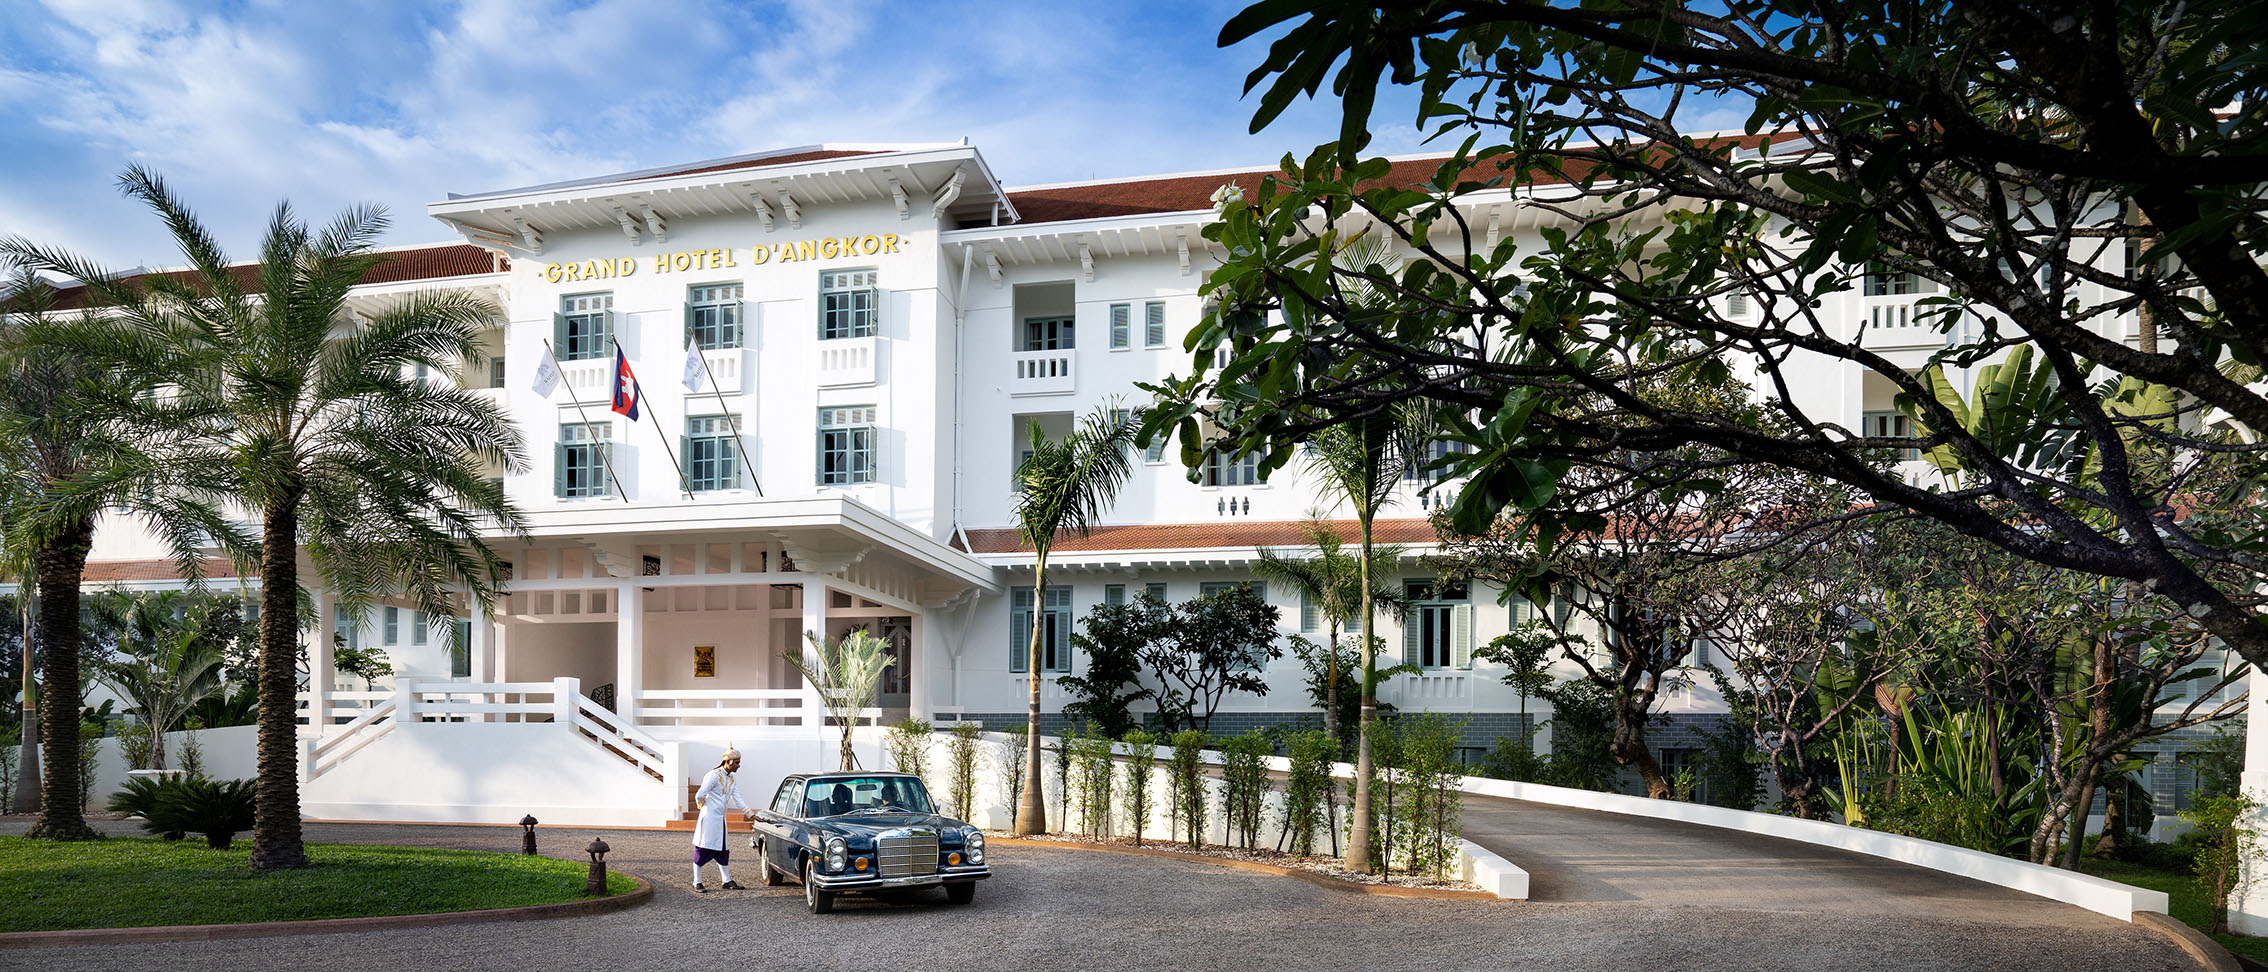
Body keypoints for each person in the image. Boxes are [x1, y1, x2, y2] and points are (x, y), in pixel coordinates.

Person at [692, 746, 754, 892]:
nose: (739, 765)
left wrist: (751, 814)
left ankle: (726, 880)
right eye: (737, 762)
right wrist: (703, 807)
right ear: (728, 762)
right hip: (709, 818)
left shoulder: (731, 778)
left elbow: (738, 798)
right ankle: (697, 881)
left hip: (720, 819)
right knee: (703, 849)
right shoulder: (713, 775)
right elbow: (700, 795)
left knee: (722, 849)